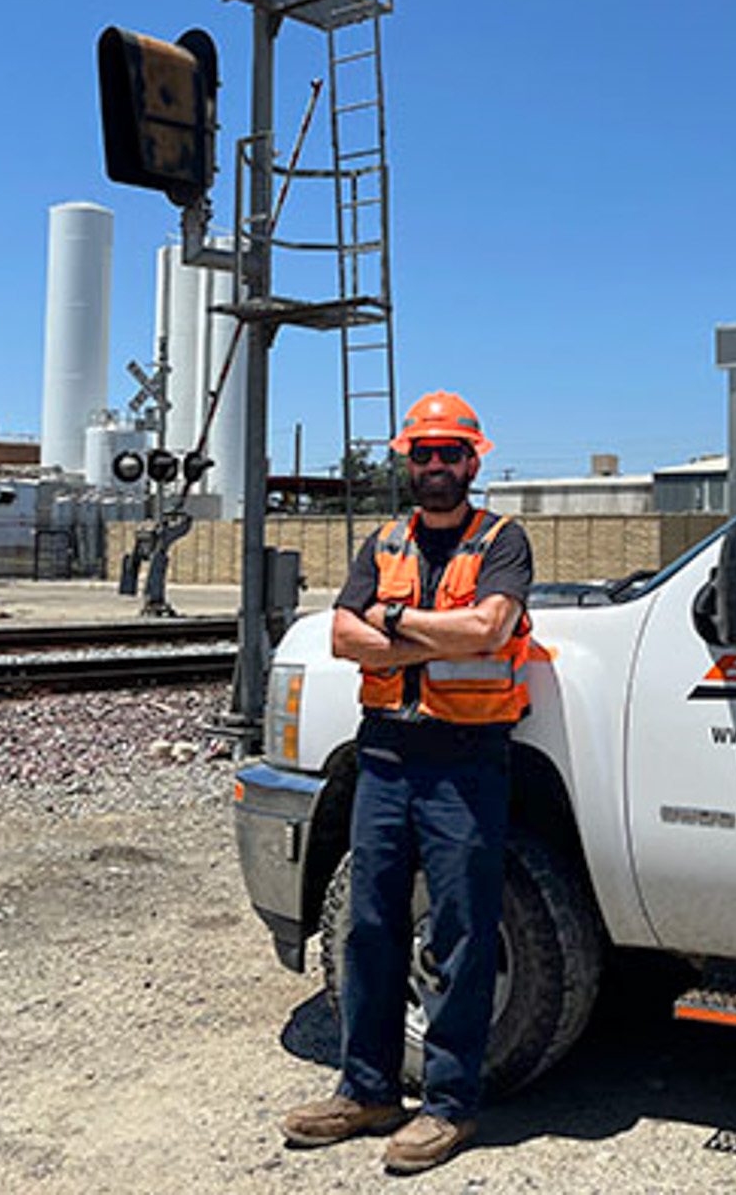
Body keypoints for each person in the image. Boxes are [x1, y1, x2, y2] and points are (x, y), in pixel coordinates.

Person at [279, 390, 535, 1175]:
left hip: (465, 759)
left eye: (448, 453)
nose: (434, 466)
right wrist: (404, 633)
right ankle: (368, 1089)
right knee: (370, 926)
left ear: (473, 460)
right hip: (386, 756)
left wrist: (392, 626)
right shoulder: (384, 540)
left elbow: (489, 627)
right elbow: (340, 632)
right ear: (408, 461)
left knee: (461, 930)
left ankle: (450, 1105)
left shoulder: (503, 539)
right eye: (422, 453)